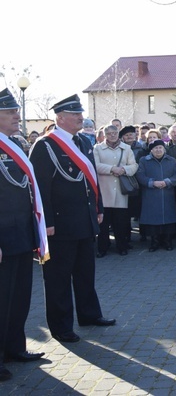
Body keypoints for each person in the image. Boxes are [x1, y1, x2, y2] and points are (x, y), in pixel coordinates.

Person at [29, 94, 115, 344]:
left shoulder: (85, 142)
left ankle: (89, 315)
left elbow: (92, 179)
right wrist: (46, 223)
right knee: (58, 277)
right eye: (75, 114)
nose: (81, 117)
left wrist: (97, 208)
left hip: (85, 220)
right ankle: (60, 326)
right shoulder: (45, 146)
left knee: (85, 272)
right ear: (60, 118)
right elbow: (40, 187)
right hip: (60, 223)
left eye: (81, 113)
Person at [0, 88, 48, 380]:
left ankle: (14, 348)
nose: (18, 116)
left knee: (18, 297)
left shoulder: (14, 144)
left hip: (21, 234)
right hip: (3, 239)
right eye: (10, 113)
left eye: (16, 112)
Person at [93, 125, 138, 257]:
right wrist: (112, 169)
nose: (112, 135)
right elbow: (94, 165)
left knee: (121, 222)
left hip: (120, 190)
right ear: (105, 135)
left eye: (115, 133)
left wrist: (124, 170)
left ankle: (121, 246)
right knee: (103, 223)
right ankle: (103, 247)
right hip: (104, 190)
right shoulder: (97, 148)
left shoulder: (127, 148)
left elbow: (134, 165)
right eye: (109, 133)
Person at [136, 140, 176, 252]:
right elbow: (140, 175)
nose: (158, 150)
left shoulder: (172, 160)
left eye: (160, 147)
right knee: (153, 220)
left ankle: (167, 241)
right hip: (151, 194)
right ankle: (154, 242)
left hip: (167, 193)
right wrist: (152, 182)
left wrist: (168, 182)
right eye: (156, 148)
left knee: (168, 218)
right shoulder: (144, 161)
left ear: (164, 149)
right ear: (151, 150)